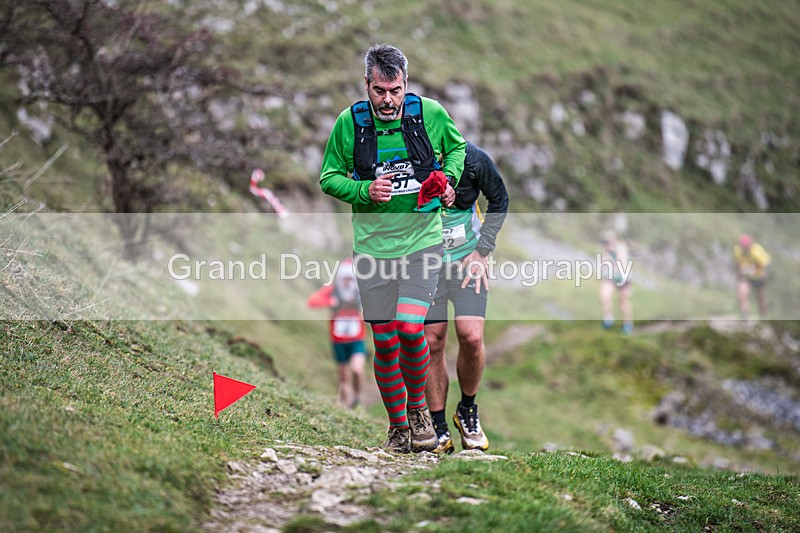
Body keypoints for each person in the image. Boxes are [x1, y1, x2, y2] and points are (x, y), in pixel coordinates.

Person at [319, 43, 466, 453]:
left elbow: (457, 149)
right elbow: (329, 177)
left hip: (422, 241)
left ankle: (418, 410)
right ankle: (398, 426)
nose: (388, 100)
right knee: (384, 340)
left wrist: (447, 179)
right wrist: (364, 190)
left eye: (396, 90)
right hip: (372, 248)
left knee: (408, 328)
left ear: (406, 85)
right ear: (367, 84)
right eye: (380, 90)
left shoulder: (430, 113)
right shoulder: (349, 123)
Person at [423, 142, 508, 454]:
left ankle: (467, 410)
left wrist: (482, 250)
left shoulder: (472, 158)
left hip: (467, 264)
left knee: (471, 337)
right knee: (433, 341)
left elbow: (499, 199)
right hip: (427, 266)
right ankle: (437, 424)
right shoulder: (406, 159)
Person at [307, 259, 367, 409]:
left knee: (357, 370)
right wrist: (330, 302)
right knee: (343, 376)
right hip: (338, 340)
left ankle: (358, 397)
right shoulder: (333, 290)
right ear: (340, 278)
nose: (347, 281)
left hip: (357, 339)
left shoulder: (360, 292)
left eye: (350, 278)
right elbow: (312, 301)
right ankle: (346, 406)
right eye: (345, 278)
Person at [599, 230, 634, 335]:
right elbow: (603, 261)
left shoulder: (621, 248)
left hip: (624, 277)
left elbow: (621, 263)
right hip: (612, 276)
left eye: (609, 242)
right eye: (605, 242)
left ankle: (627, 324)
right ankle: (608, 319)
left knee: (623, 301)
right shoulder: (607, 249)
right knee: (604, 295)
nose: (607, 244)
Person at [733, 233, 770, 319]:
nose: (745, 249)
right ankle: (745, 314)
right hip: (745, 276)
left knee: (760, 297)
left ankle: (764, 315)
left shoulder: (757, 252)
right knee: (742, 292)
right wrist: (739, 274)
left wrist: (763, 275)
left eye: (746, 247)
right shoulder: (737, 251)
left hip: (759, 276)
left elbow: (766, 265)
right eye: (743, 247)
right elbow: (737, 263)